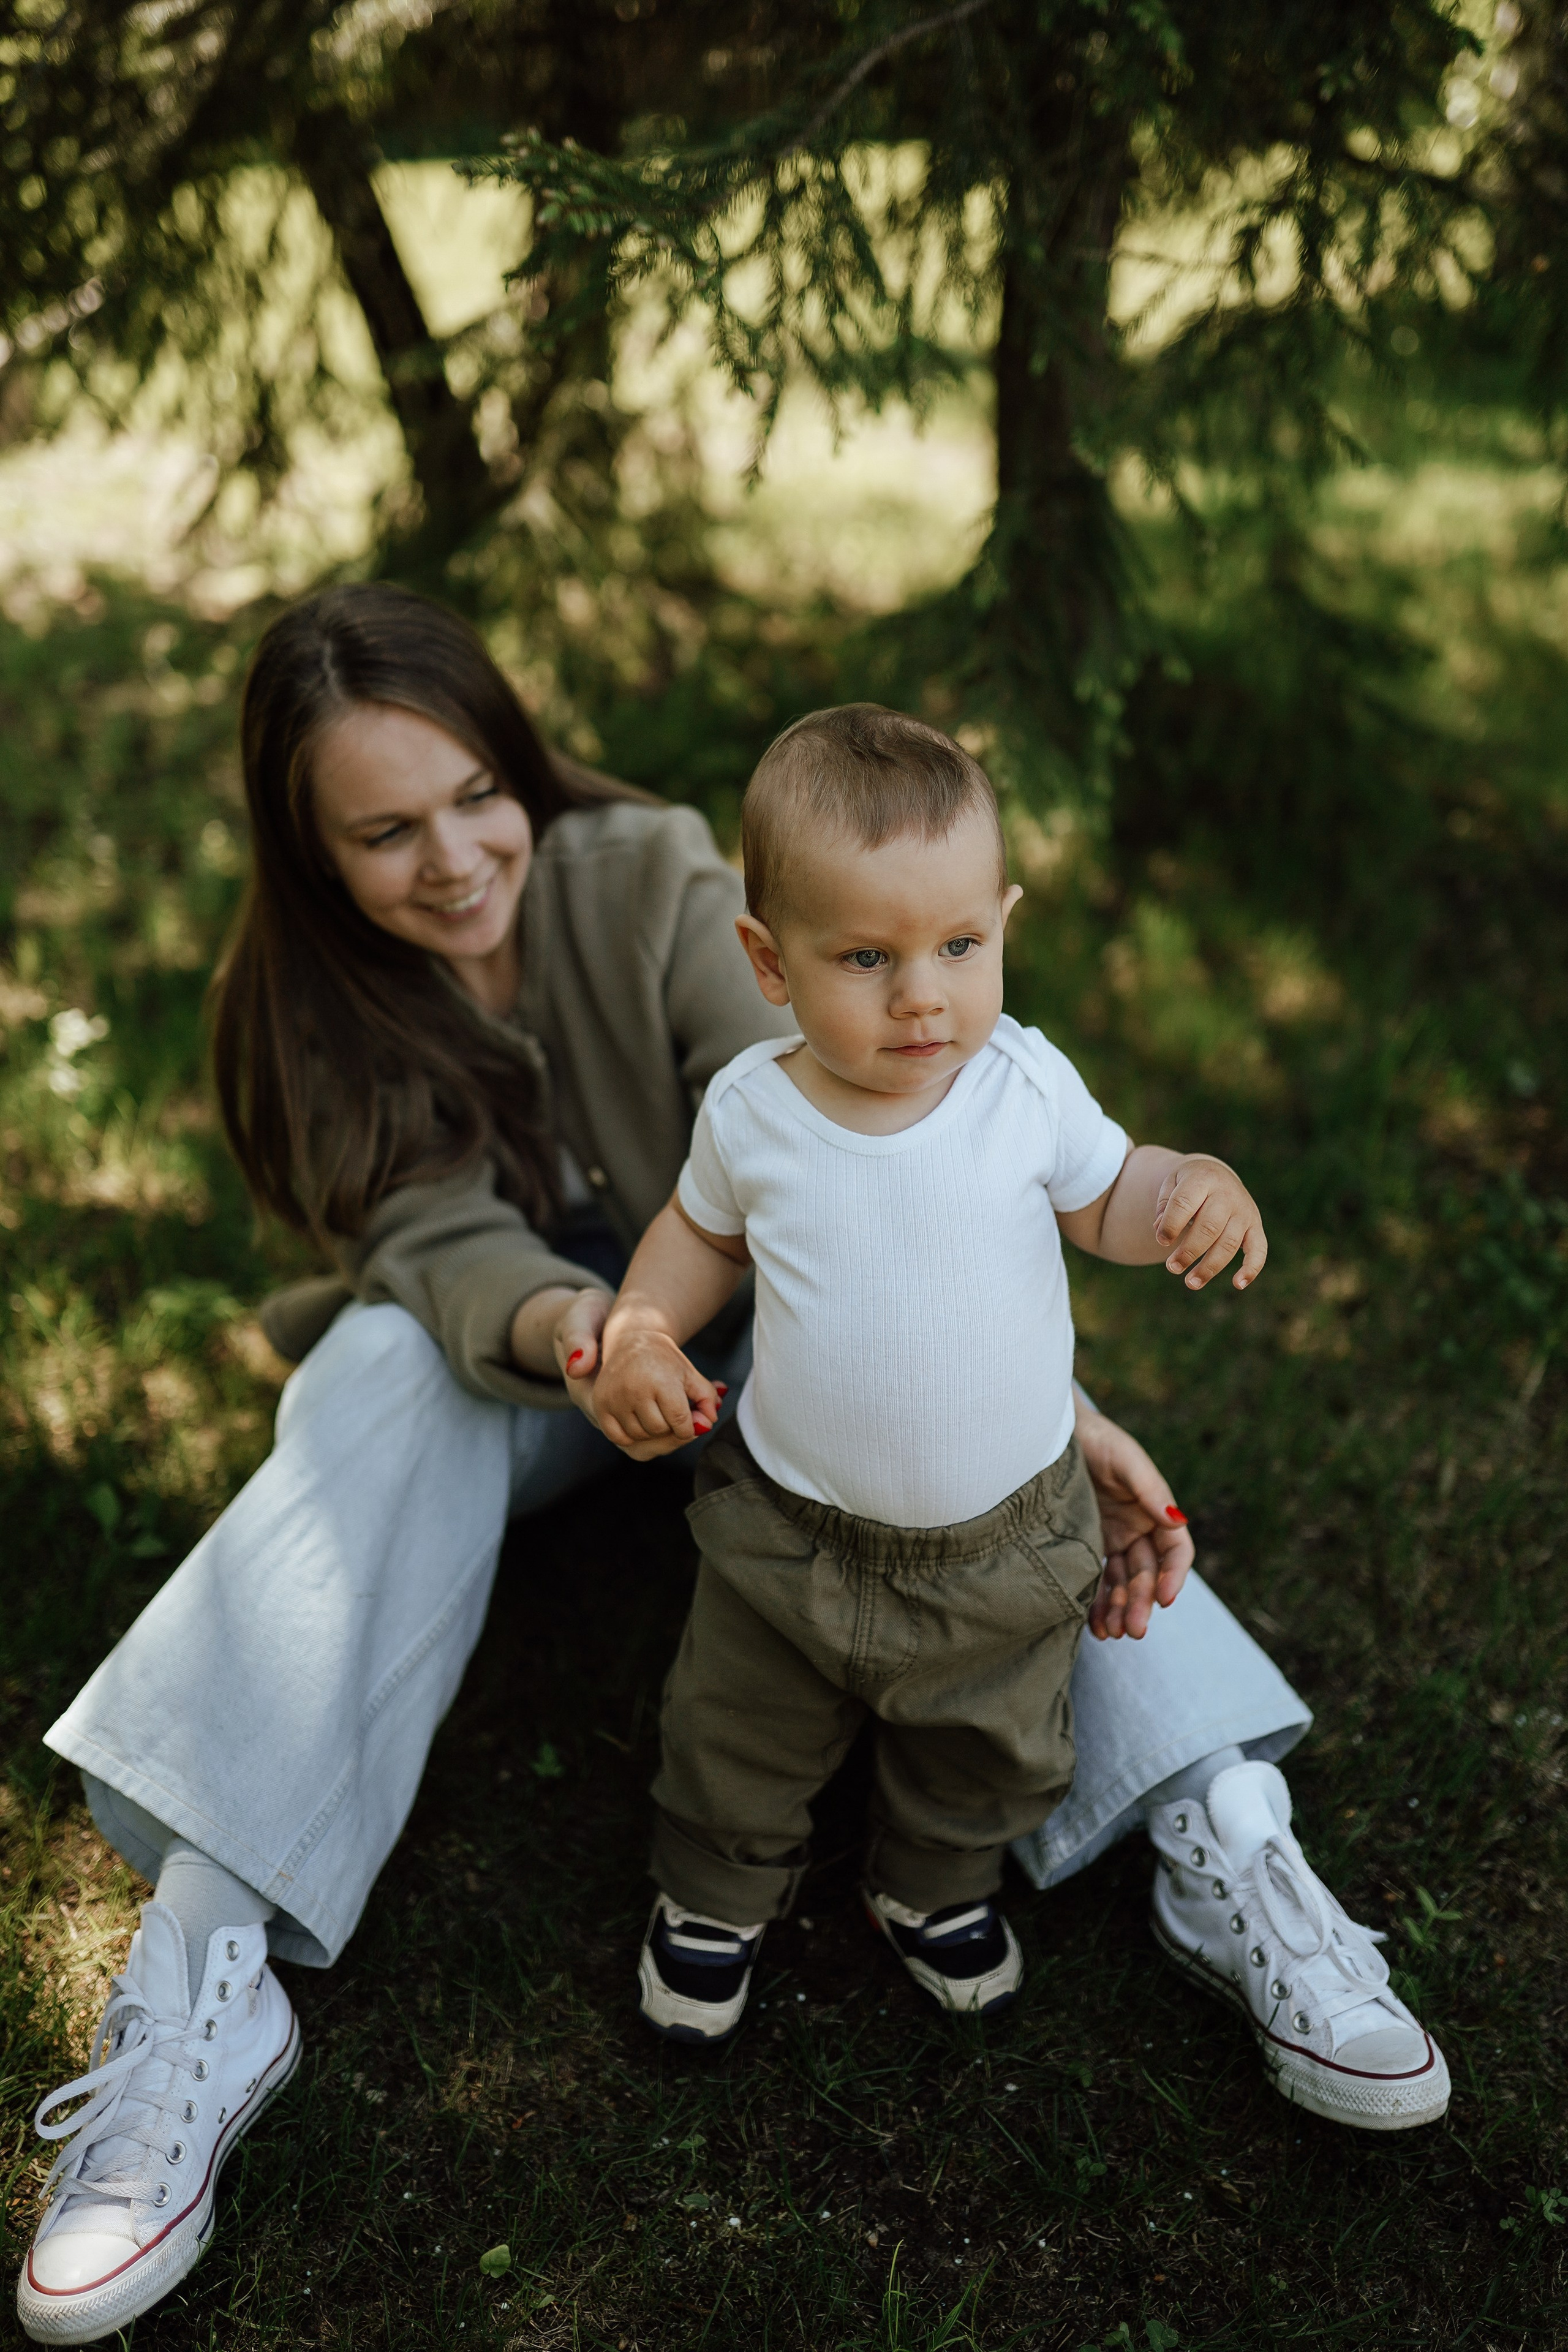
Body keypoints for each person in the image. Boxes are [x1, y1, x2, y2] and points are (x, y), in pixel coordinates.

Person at [16, 588, 1444, 2348]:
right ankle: (205, 1959)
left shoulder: (648, 875)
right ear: (311, 859)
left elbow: (857, 1162)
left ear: (520, 764)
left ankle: (1225, 1825)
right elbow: (437, 1247)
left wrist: (1053, 1416)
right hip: (536, 1371)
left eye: (478, 793)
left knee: (992, 1483)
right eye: (385, 833)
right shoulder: (315, 1020)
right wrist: (597, 1342)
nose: (459, 859)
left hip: (782, 1342)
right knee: (381, 1361)